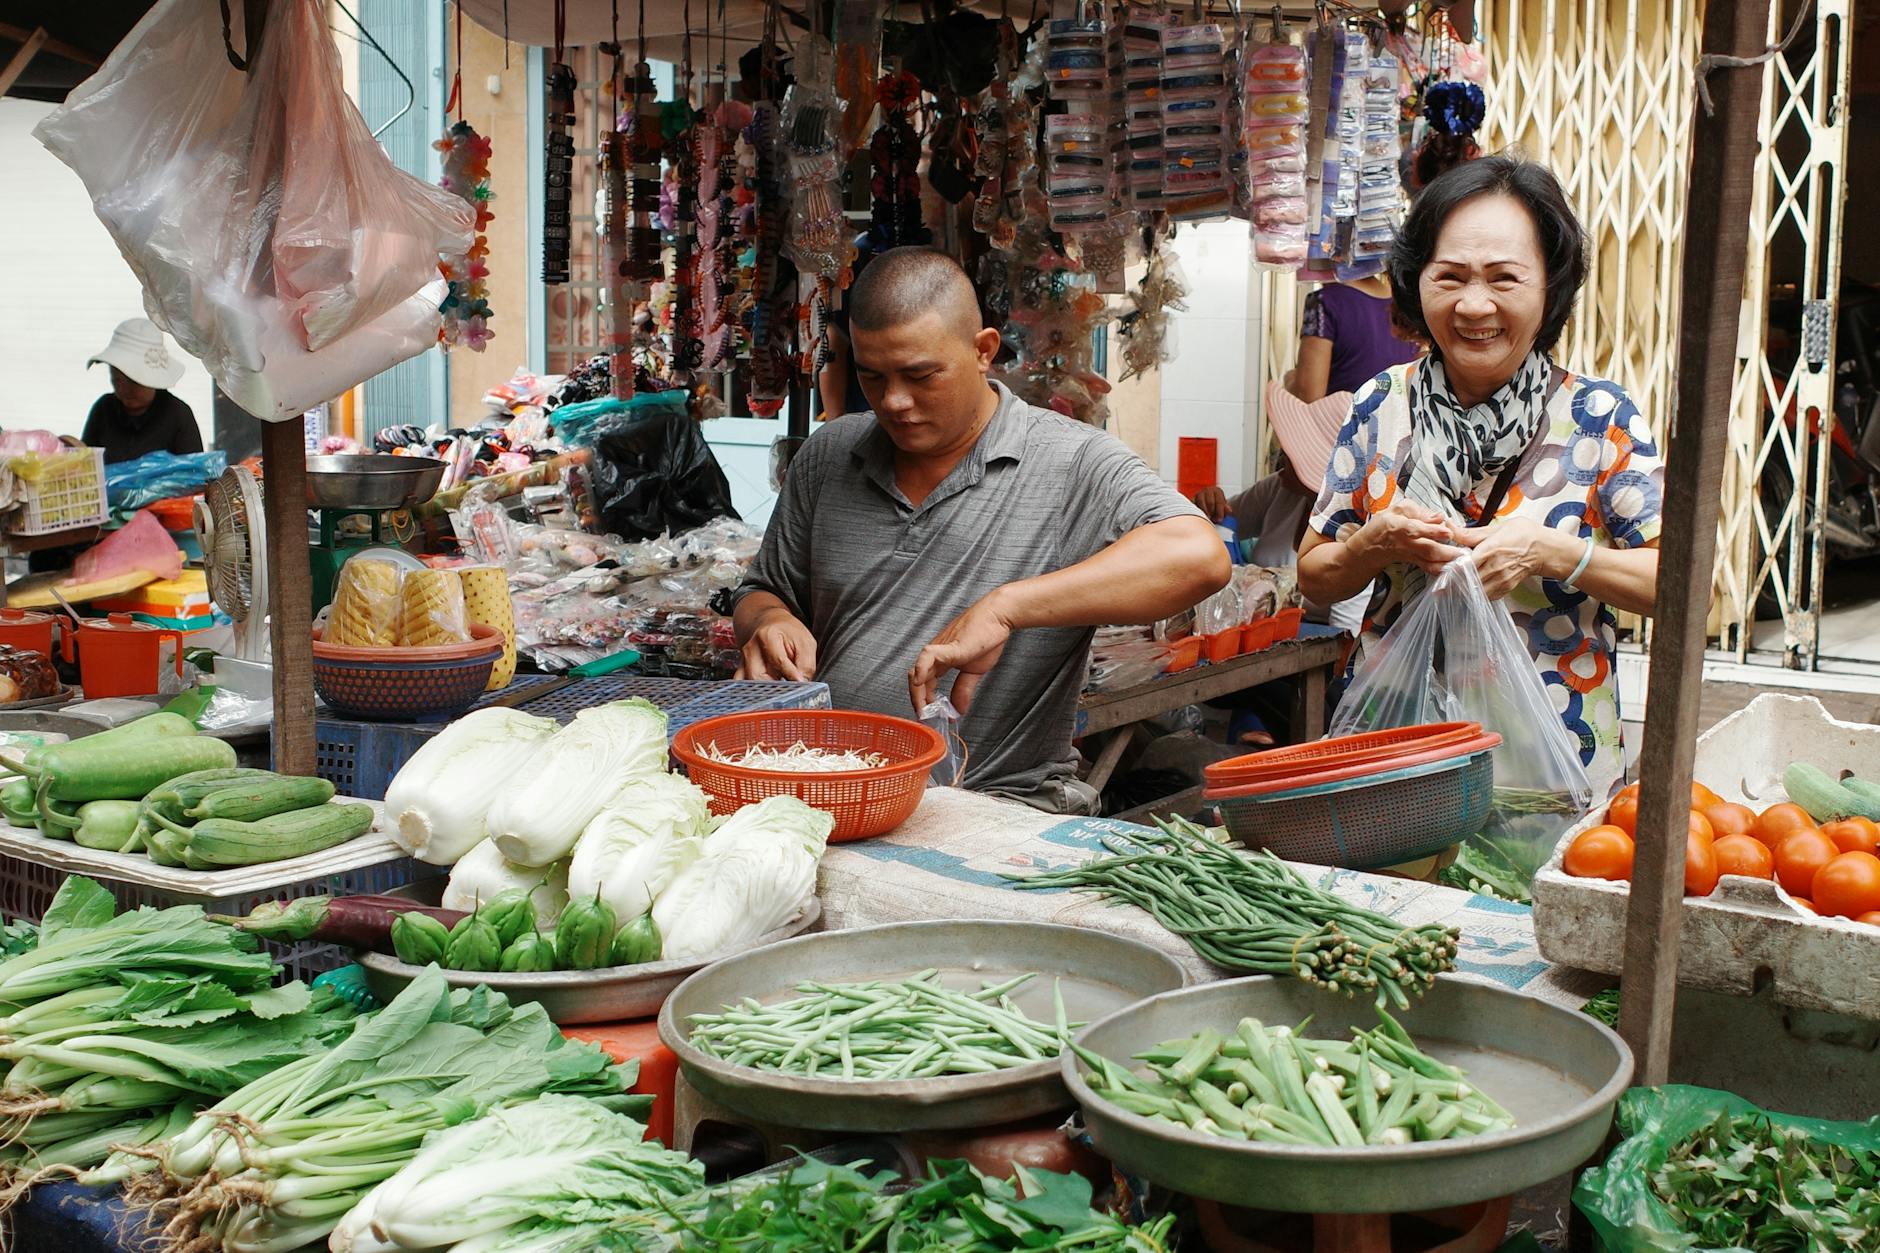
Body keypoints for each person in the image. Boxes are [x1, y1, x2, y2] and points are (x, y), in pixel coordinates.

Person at [734, 246, 1230, 814]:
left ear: (983, 351)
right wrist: (770, 619)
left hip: (994, 809)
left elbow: (1199, 556)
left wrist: (1007, 606)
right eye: (872, 376)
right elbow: (760, 589)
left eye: (921, 376)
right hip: (825, 789)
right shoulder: (828, 455)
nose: (894, 401)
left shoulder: (1071, 462)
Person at [1297, 155, 1661, 801]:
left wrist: (1552, 552)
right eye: (1451, 276)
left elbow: (1684, 588)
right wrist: (1372, 543)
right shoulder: (1380, 403)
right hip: (1399, 742)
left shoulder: (1600, 417)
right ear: (1417, 283)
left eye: (1504, 278)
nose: (1473, 304)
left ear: (1551, 287)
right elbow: (1316, 573)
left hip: (1553, 753)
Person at [81, 319, 203, 464]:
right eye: (117, 380)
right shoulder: (103, 410)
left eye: (133, 381)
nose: (123, 389)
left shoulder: (178, 415)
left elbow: (196, 476)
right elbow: (85, 465)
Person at [1289, 275, 1422, 403]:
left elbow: (1309, 397)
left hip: (1341, 423)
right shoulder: (1403, 305)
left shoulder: (1324, 301)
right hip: (1394, 421)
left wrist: (1290, 380)